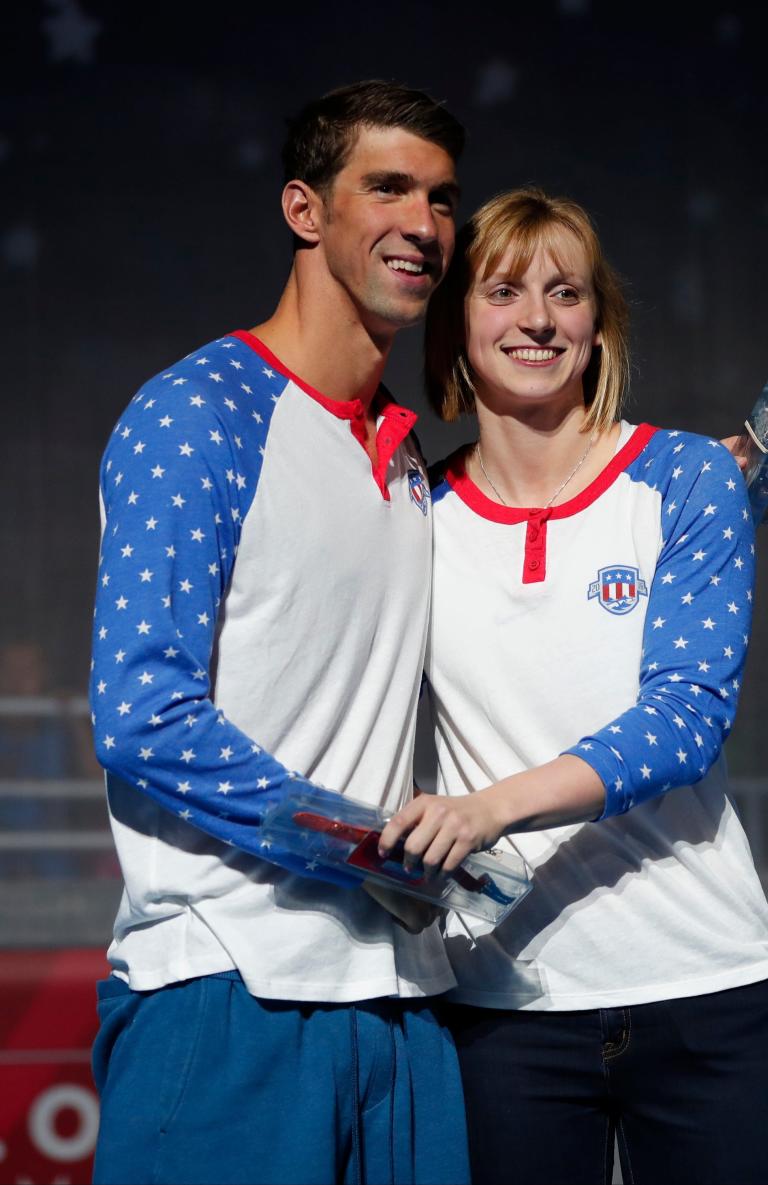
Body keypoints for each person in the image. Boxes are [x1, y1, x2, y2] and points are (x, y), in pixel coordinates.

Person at [88, 82, 470, 1185]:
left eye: (443, 199)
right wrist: (362, 848)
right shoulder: (197, 412)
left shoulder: (406, 460)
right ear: (304, 210)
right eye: (387, 187)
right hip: (227, 991)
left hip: (408, 1005)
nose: (423, 224)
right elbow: (143, 718)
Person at [380, 188, 768, 1185]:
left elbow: (684, 721)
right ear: (454, 329)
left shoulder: (689, 478)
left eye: (565, 293)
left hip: (701, 984)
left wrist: (487, 813)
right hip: (499, 1005)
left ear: (597, 326)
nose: (536, 318)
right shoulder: (408, 510)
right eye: (503, 291)